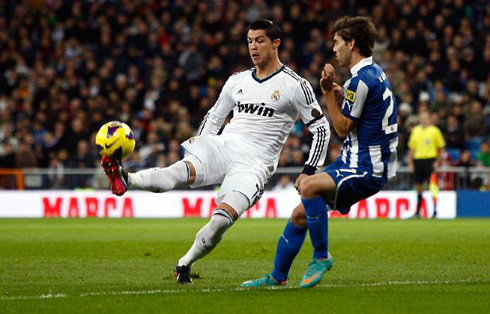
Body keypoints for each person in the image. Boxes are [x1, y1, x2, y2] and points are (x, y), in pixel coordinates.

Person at [100, 20, 330, 284]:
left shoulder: (294, 85)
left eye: (259, 40)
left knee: (222, 220)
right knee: (179, 171)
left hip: (255, 164)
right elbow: (215, 116)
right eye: (249, 41)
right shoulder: (237, 81)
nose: (253, 47)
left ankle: (184, 263)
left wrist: (310, 170)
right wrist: (200, 151)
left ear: (276, 43)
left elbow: (321, 128)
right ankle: (126, 178)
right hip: (223, 146)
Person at [241, 16, 398, 289]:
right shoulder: (371, 75)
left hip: (367, 167)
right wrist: (340, 94)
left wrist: (327, 93)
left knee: (309, 186)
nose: (334, 49)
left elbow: (341, 128)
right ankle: (277, 277)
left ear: (352, 43)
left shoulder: (360, 81)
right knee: (299, 214)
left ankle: (321, 256)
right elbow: (359, 113)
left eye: (337, 43)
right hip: (356, 160)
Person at [408, 110, 445, 218]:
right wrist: (410, 163)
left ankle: (434, 210)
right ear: (419, 119)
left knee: (432, 186)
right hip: (418, 160)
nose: (424, 120)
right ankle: (418, 211)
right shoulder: (415, 131)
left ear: (429, 119)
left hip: (430, 160)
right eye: (422, 118)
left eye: (426, 118)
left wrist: (438, 161)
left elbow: (441, 148)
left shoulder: (435, 131)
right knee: (418, 186)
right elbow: (411, 149)